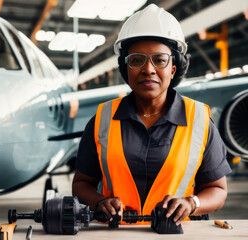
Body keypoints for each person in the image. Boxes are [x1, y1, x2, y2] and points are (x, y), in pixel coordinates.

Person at [72, 4, 231, 226]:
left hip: (178, 233)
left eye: (159, 60)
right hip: (116, 234)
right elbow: (81, 183)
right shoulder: (102, 120)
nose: (148, 69)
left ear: (173, 69)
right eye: (137, 60)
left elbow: (217, 189)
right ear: (126, 68)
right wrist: (99, 203)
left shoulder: (199, 120)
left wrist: (191, 203)